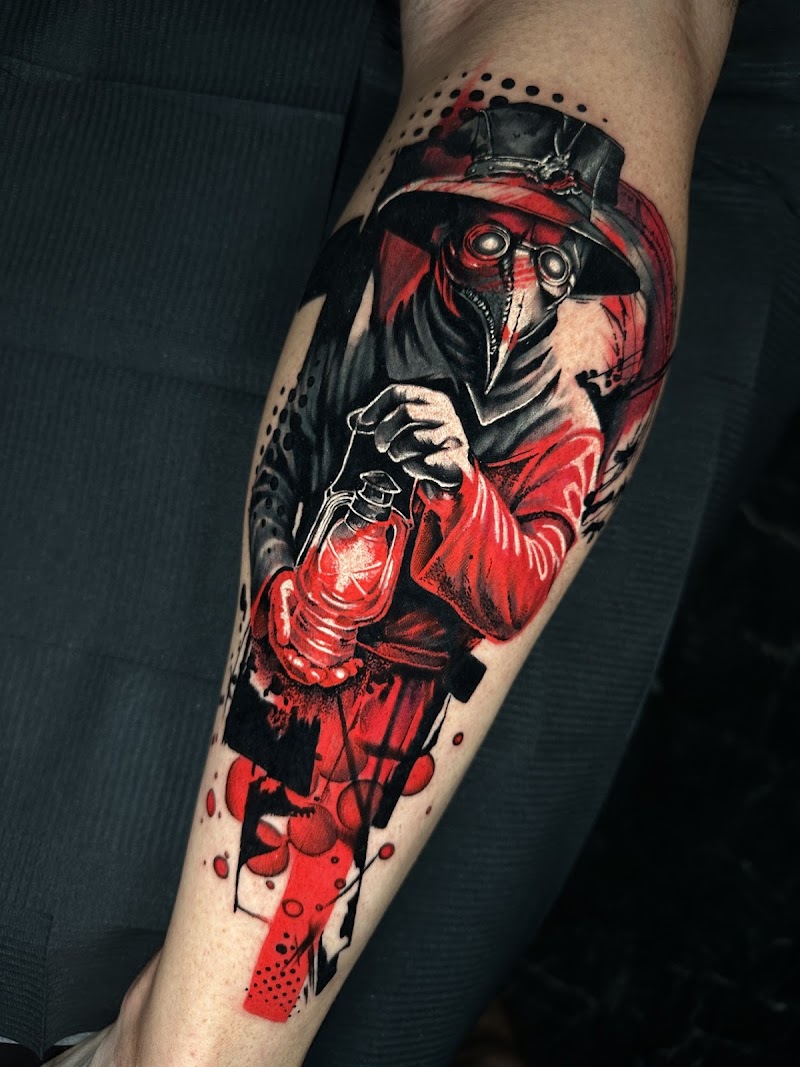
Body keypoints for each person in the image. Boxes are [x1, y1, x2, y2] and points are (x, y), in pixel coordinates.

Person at [0, 1, 744, 1065]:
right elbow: (289, 469)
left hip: (405, 704)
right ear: (450, 237)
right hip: (284, 641)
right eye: (492, 242)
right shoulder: (375, 330)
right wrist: (282, 581)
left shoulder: (563, 422)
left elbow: (516, 581)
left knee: (336, 922)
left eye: (551, 261)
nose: (518, 283)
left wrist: (455, 485)